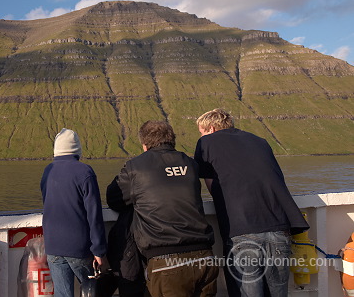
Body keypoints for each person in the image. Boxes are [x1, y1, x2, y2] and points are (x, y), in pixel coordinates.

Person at [194, 108, 310, 297]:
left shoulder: (207, 142)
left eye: (202, 131)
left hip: (242, 231)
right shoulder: (260, 141)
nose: (201, 135)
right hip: (279, 229)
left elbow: (212, 187)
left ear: (211, 129)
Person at [108, 120, 218, 297]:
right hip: (205, 257)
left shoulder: (134, 167)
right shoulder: (190, 164)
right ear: (172, 140)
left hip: (167, 262)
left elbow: (114, 198)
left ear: (144, 145)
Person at [41, 128, 108, 297]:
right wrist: (99, 251)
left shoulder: (48, 171)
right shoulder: (84, 172)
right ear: (77, 148)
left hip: (53, 246)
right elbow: (94, 215)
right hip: (78, 247)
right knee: (91, 289)